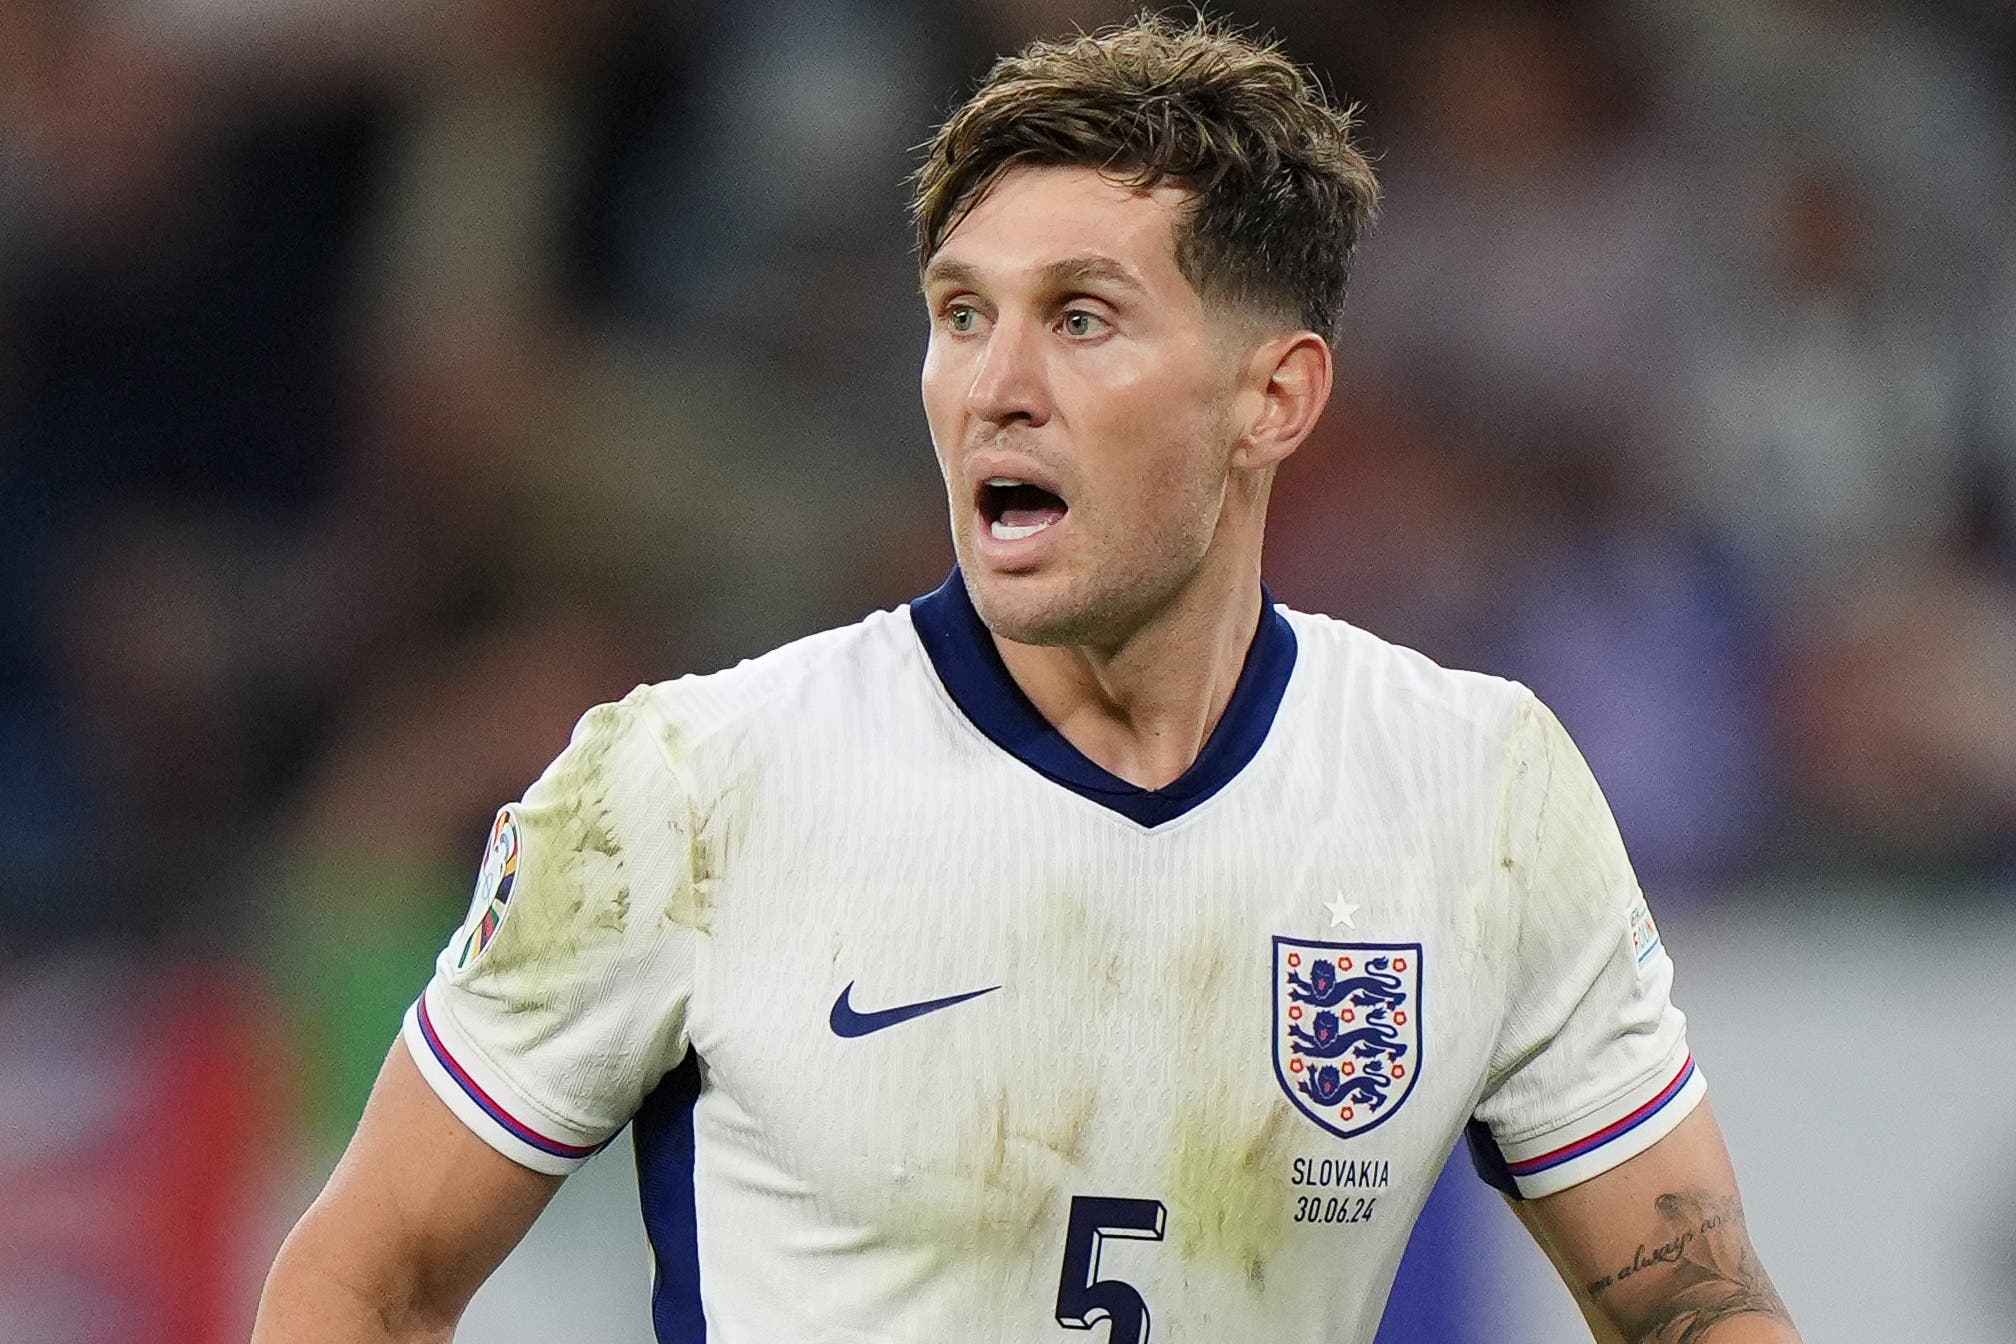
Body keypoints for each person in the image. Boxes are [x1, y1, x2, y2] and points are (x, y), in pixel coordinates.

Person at [253, 15, 1802, 1343]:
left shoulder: (1478, 790)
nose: (997, 384)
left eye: (1081, 318)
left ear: (1275, 397)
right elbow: (363, 1282)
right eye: (960, 316)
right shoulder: (687, 785)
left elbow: (1698, 1305)